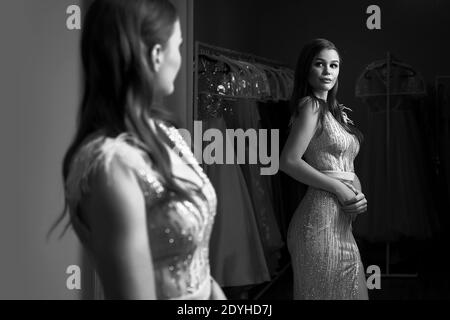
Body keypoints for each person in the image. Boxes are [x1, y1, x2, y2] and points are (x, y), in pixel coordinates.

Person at [49, 0, 226, 300]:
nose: (181, 59)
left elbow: (199, 262)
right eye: (179, 46)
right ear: (156, 56)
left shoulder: (167, 134)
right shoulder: (110, 164)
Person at [280, 39, 369, 300]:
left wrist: (357, 195)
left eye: (334, 65)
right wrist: (341, 189)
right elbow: (288, 161)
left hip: (340, 221)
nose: (328, 71)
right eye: (320, 64)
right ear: (307, 69)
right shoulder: (311, 105)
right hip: (319, 220)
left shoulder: (336, 112)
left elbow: (345, 166)